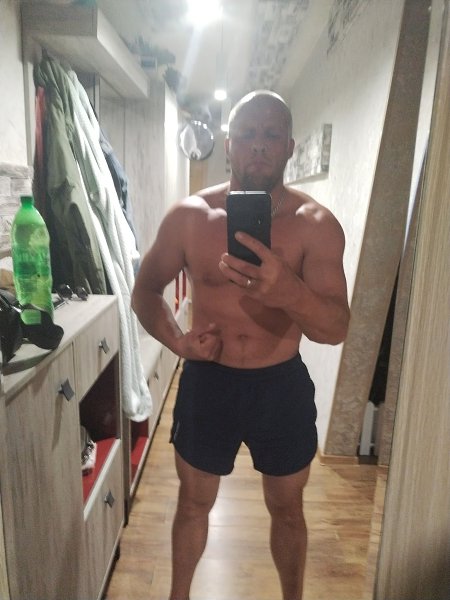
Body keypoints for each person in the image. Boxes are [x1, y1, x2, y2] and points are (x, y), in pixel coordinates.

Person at [131, 90, 350, 600]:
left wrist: (290, 293)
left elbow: (335, 328)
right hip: (209, 381)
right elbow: (145, 291)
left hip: (281, 384)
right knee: (192, 504)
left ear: (290, 146)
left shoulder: (316, 226)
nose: (259, 145)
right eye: (247, 134)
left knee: (288, 508)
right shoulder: (189, 217)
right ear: (228, 145)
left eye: (272, 135)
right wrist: (179, 343)